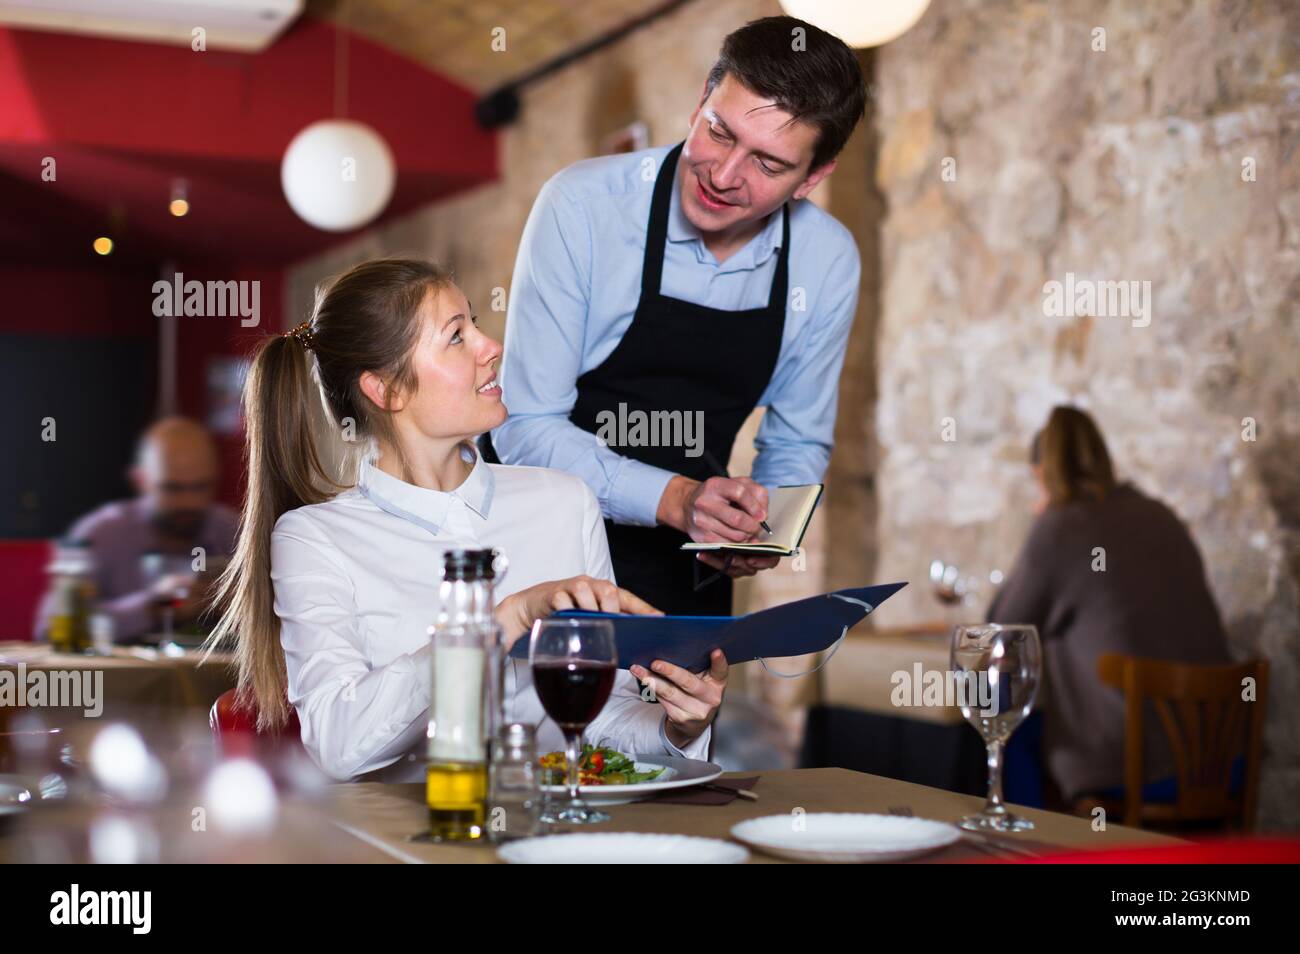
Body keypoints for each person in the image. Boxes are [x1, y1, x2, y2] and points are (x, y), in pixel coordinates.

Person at [208, 259, 728, 782]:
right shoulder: (314, 539)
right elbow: (339, 745)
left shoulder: (566, 502)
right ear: (386, 390)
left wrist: (675, 728)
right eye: (457, 336)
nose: (491, 346)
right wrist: (505, 621)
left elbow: (599, 722)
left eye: (475, 323)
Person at [488, 16, 867, 615]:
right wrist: (677, 498)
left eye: (768, 165)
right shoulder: (584, 207)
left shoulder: (827, 261)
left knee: (677, 713)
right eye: (719, 132)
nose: (723, 175)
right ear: (699, 104)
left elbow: (797, 439)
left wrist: (767, 526)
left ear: (812, 179)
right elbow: (525, 426)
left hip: (687, 575)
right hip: (539, 557)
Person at [987, 406, 1233, 801]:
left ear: (1042, 474)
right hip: (1221, 756)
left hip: (1135, 765)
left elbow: (998, 633)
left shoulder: (1059, 526)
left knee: (1003, 717)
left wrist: (1041, 522)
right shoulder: (1161, 515)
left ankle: (1023, 849)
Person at [34, 416, 236, 642]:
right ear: (140, 480)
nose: (189, 502)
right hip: (117, 678)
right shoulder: (100, 533)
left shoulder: (232, 531)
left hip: (215, 676)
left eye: (201, 487)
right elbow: (49, 629)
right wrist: (151, 608)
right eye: (172, 488)